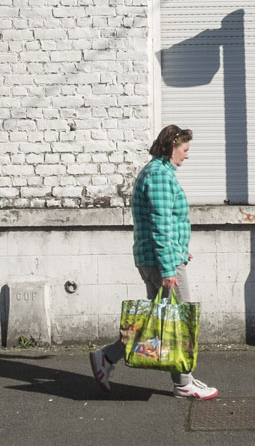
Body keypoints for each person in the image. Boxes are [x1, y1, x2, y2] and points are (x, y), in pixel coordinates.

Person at [91, 124, 219, 400]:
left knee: (158, 321)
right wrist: (169, 267)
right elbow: (161, 225)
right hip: (161, 262)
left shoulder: (159, 173)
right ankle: (183, 382)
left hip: (162, 258)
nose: (187, 155)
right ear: (172, 147)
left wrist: (179, 250)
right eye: (184, 150)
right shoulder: (160, 176)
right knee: (179, 321)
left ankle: (108, 357)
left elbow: (167, 224)